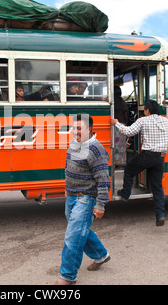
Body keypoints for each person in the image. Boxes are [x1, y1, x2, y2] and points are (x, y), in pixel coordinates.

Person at [55, 113, 111, 285]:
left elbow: (103, 179)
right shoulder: (74, 143)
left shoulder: (96, 150)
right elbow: (68, 166)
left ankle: (68, 276)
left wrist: (100, 204)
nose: (75, 131)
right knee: (80, 230)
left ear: (90, 129)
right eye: (74, 128)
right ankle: (101, 255)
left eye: (79, 128)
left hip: (85, 199)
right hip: (72, 196)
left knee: (73, 236)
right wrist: (67, 189)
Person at [111, 100, 168, 226]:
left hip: (147, 155)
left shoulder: (143, 120)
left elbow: (129, 132)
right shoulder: (165, 121)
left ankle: (125, 193)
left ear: (147, 110)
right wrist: (167, 119)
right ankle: (160, 215)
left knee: (130, 169)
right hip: (160, 158)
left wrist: (117, 123)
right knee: (157, 187)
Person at [113, 86, 129, 166]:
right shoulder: (122, 101)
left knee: (115, 146)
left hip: (116, 126)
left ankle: (115, 162)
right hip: (123, 125)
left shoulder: (113, 102)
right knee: (121, 146)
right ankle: (121, 162)